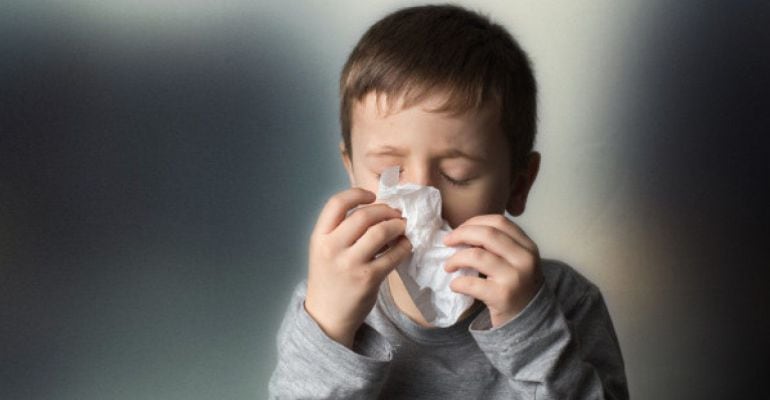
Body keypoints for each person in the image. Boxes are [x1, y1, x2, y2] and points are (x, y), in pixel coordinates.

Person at [269, 4, 628, 399]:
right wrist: (331, 330)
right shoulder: (325, 303)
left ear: (519, 184)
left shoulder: (567, 302)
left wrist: (530, 330)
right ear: (352, 172)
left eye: (458, 176)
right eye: (390, 171)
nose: (424, 201)